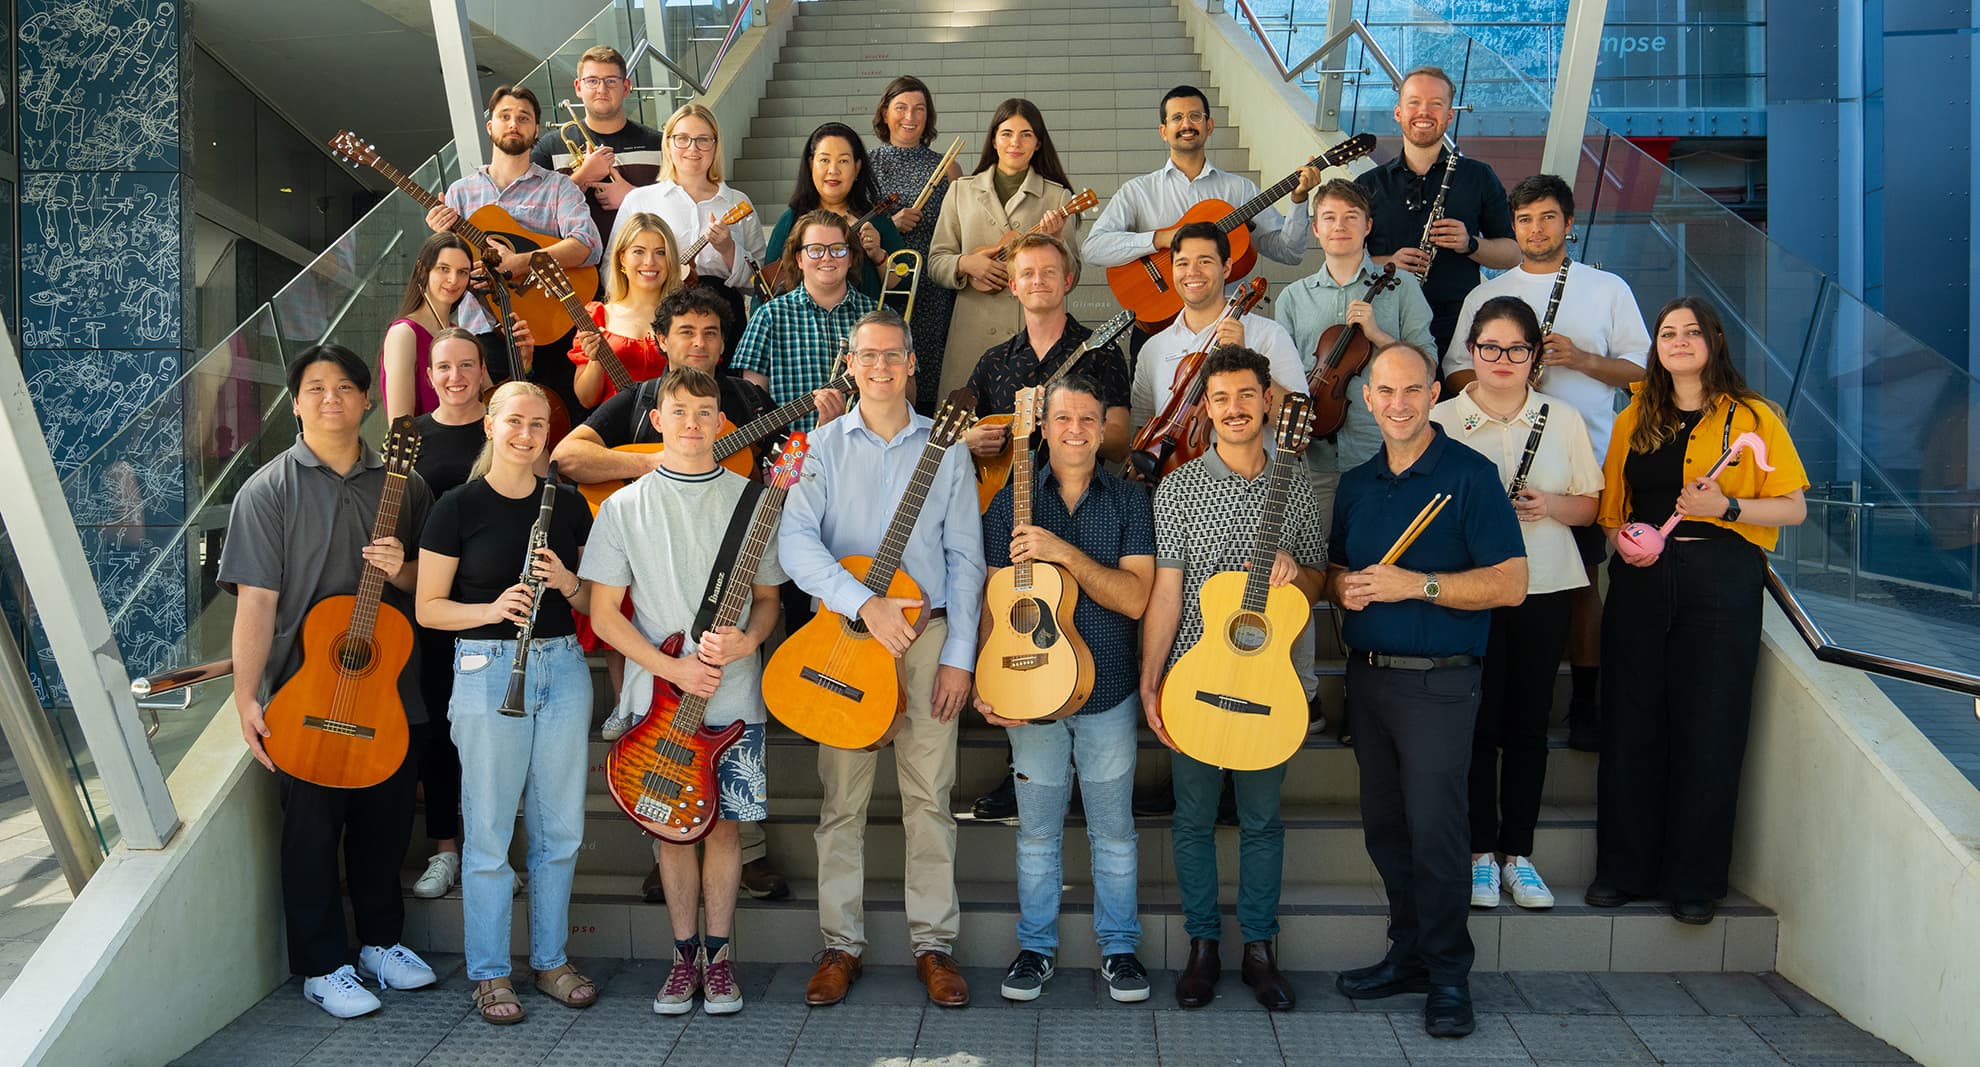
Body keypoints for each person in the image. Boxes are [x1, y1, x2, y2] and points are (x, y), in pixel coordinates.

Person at [553, 287, 798, 905]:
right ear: (662, 340)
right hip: (658, 616)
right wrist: (659, 464)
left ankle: (742, 867)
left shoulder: (748, 400)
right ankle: (667, 839)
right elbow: (569, 457)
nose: (699, 342)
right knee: (667, 777)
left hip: (730, 611)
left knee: (728, 807)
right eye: (686, 330)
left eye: (712, 332)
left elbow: (776, 500)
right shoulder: (637, 401)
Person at [219, 344, 437, 1020]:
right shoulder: (268, 489)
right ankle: (320, 964)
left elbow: (429, 587)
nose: (331, 398)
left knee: (385, 827)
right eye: (316, 388)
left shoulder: (405, 484)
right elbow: (255, 600)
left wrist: (401, 567)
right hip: (307, 694)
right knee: (311, 835)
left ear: (369, 400)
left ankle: (379, 943)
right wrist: (246, 696)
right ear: (296, 402)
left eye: (345, 387)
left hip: (392, 692)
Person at [779, 309, 984, 1009]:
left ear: (912, 363)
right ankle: (841, 943)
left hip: (926, 639)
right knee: (843, 800)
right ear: (849, 362)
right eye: (867, 356)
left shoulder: (946, 446)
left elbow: (965, 555)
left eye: (892, 355)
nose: (880, 367)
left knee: (931, 798)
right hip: (844, 634)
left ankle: (933, 944)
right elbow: (797, 544)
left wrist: (960, 654)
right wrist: (861, 602)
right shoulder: (822, 446)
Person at [1326, 342, 1527, 1039]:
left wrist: (1419, 584)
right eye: (1385, 392)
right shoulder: (1355, 483)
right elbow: (1337, 572)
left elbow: (1511, 582)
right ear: (1367, 398)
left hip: (1441, 683)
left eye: (1413, 390)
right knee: (1386, 829)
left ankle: (1449, 976)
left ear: (1434, 392)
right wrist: (1340, 586)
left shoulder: (1470, 477)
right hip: (1369, 678)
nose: (1399, 404)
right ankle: (1407, 954)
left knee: (1437, 833)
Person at [1589, 296, 1807, 924]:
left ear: (1715, 339)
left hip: (1723, 576)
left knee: (1711, 725)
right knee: (1632, 719)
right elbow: (1613, 507)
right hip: (1642, 580)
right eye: (1667, 333)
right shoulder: (1635, 416)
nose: (1678, 341)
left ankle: (1695, 880)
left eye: (1691, 332)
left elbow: (1791, 507)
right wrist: (1622, 544)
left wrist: (1729, 509)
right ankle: (1623, 869)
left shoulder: (1755, 417)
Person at [581, 366, 787, 1017]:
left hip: (734, 697)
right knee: (671, 833)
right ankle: (681, 960)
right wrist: (669, 670)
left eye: (706, 411)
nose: (694, 423)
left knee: (724, 830)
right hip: (657, 698)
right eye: (681, 411)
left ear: (722, 421)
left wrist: (751, 643)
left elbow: (768, 602)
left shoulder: (753, 500)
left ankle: (720, 962)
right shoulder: (623, 505)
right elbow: (606, 613)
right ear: (657, 420)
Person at [1139, 346, 1327, 1012]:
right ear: (1206, 407)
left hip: (1271, 685)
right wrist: (1151, 675)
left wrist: (1292, 567)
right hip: (1196, 679)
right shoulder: (1180, 488)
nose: (1236, 409)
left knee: (1262, 820)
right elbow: (1165, 592)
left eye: (1247, 395)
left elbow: (1318, 580)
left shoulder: (1297, 481)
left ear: (1268, 400)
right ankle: (1201, 946)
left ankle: (1258, 949)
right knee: (1191, 820)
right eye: (1221, 398)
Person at [1443, 173, 1650, 750]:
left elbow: (1640, 369)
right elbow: (1456, 371)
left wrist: (1581, 359)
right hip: (1495, 459)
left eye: (1548, 217)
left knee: (1581, 585)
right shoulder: (1486, 295)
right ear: (1513, 227)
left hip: (1580, 461)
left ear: (1569, 223)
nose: (1537, 229)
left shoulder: (1606, 288)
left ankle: (1585, 704)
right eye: (1526, 219)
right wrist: (1509, 380)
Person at [415, 381, 596, 1024]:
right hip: (488, 668)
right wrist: (492, 608)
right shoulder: (457, 508)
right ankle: (490, 973)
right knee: (488, 830)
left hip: (563, 667)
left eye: (538, 423)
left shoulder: (570, 507)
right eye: (514, 421)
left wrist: (569, 581)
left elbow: (590, 605)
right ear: (490, 426)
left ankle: (550, 961)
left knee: (561, 830)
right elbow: (428, 608)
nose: (526, 433)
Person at [976, 375, 1155, 1004]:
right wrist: (985, 678)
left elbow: (1136, 600)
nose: (1075, 430)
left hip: (1107, 695)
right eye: (1063, 419)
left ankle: (1121, 951)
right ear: (1042, 427)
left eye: (1088, 418)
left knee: (1113, 832)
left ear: (1103, 426)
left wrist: (1064, 554)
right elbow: (995, 602)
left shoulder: (1132, 501)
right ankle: (1035, 949)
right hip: (1031, 695)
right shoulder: (1010, 505)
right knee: (1036, 834)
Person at [1428, 298, 1602, 911]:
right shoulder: (1441, 419)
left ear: (1535, 357)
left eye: (1517, 350)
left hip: (1546, 584)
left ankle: (1518, 855)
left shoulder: (1564, 418)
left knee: (1528, 724)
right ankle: (1479, 854)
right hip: (1471, 585)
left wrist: (1550, 504)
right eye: (1489, 348)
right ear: (1471, 352)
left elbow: (1592, 506)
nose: (1502, 361)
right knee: (1476, 720)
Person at [956, 233, 1130, 824]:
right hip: (1015, 506)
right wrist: (973, 438)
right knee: (1016, 620)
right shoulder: (994, 360)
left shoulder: (1100, 350)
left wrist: (1068, 430)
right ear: (1012, 283)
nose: (1037, 281)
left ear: (1068, 280)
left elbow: (1121, 434)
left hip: (1084, 504)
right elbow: (969, 434)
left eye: (1048, 272)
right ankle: (1027, 775)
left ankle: (1084, 775)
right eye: (1026, 273)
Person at [1083, 85, 1320, 352]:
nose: (1187, 124)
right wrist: (1161, 238)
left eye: (1195, 116)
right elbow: (1093, 248)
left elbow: (1290, 253)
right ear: (1163, 131)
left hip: (1222, 332)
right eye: (1177, 118)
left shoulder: (1239, 190)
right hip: (1157, 330)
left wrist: (1299, 200)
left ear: (1210, 125)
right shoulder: (1138, 191)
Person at [429, 84, 602, 417]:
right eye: (504, 116)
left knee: (563, 418)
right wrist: (440, 240)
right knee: (489, 423)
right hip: (483, 329)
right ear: (490, 126)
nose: (513, 123)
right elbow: (445, 274)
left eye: (523, 118)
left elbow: (587, 244)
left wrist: (520, 262)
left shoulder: (558, 187)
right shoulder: (460, 193)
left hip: (552, 326)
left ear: (536, 129)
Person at [1274, 179, 1437, 512]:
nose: (1340, 226)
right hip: (1313, 457)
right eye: (1330, 218)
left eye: (1351, 217)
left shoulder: (1402, 286)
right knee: (1319, 559)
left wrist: (1378, 335)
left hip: (1383, 451)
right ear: (1316, 229)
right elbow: (1280, 379)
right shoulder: (1293, 297)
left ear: (1368, 226)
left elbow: (1430, 366)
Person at [409, 329, 496, 901]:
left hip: (497, 607)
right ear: (430, 374)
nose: (456, 377)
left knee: (496, 740)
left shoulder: (505, 425)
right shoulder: (410, 438)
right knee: (440, 733)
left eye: (467, 365)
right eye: (444, 367)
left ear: (484, 370)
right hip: (435, 609)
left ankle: (492, 853)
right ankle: (445, 850)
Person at [1354, 66, 1517, 359]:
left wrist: (1471, 244)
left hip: (1458, 327)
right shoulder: (1368, 184)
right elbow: (1344, 260)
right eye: (1414, 102)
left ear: (1449, 115)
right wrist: (1386, 262)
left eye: (1436, 104)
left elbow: (1512, 254)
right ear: (1398, 112)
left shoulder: (1479, 176)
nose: (1424, 112)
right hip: (1385, 322)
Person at [928, 97, 1079, 403]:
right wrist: (966, 264)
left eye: (1026, 134)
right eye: (1007, 133)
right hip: (970, 333)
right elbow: (935, 261)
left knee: (1029, 431)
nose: (1016, 143)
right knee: (964, 434)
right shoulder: (961, 191)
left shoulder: (1058, 197)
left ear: (1038, 143)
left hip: (1032, 337)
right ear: (994, 139)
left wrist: (1058, 242)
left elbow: (1071, 277)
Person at [1129, 221, 1309, 438]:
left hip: (1249, 472)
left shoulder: (1270, 335)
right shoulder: (1152, 348)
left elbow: (1297, 429)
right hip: (1174, 472)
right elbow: (1143, 432)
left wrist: (1246, 361)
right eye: (1182, 263)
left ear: (1226, 268)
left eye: (1204, 261)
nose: (1192, 272)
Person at [612, 102, 767, 332]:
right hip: (654, 319)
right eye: (682, 138)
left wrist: (729, 250)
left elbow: (760, 284)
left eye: (703, 139)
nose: (692, 149)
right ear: (667, 143)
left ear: (715, 146)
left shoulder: (737, 203)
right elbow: (612, 266)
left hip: (724, 324)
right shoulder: (639, 201)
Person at [870, 76, 963, 408]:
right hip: (884, 283)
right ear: (884, 113)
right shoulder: (866, 165)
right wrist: (891, 226)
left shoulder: (948, 168)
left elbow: (959, 231)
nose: (910, 116)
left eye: (919, 109)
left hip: (934, 288)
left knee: (928, 375)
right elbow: (855, 227)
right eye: (901, 108)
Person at [731, 210, 868, 433]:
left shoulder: (878, 315)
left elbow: (906, 397)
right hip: (791, 458)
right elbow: (752, 407)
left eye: (838, 249)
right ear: (799, 259)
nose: (827, 257)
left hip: (863, 453)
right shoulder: (768, 317)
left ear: (851, 257)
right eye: (815, 250)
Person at [530, 45, 667, 244]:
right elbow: (533, 215)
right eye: (592, 81)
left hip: (644, 266)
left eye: (611, 81)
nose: (601, 89)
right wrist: (582, 177)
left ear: (626, 87)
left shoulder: (659, 144)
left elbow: (683, 208)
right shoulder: (549, 147)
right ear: (578, 87)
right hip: (575, 270)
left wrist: (632, 196)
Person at [764, 122, 906, 300]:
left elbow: (903, 289)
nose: (833, 170)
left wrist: (878, 255)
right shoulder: (790, 220)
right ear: (811, 164)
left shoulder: (876, 220)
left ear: (857, 167)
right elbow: (765, 289)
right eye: (824, 160)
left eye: (843, 161)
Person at [569, 211, 680, 407]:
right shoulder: (598, 316)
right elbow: (586, 400)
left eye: (661, 252)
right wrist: (596, 360)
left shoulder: (685, 316)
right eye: (639, 251)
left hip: (673, 429)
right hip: (615, 431)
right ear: (622, 258)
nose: (650, 262)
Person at [380, 232, 486, 419]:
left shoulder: (459, 334)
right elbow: (400, 422)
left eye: (463, 272)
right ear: (422, 270)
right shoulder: (404, 333)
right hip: (426, 447)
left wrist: (523, 363)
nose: (454, 280)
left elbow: (489, 401)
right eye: (444, 269)